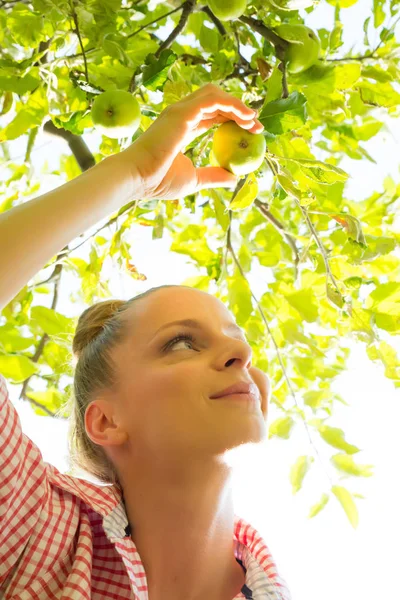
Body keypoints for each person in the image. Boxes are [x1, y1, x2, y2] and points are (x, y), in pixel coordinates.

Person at [0, 83, 292, 600]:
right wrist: (133, 172)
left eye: (237, 341)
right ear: (106, 421)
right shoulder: (35, 532)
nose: (243, 356)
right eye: (181, 343)